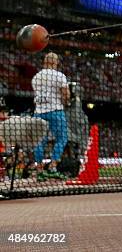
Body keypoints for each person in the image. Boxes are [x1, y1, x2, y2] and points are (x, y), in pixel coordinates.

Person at [31, 52, 70, 180]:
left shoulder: (36, 77)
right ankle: (52, 168)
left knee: (38, 141)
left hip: (38, 112)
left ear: (44, 62)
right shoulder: (59, 76)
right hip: (55, 111)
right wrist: (65, 102)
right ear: (56, 62)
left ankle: (40, 171)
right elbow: (66, 94)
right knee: (62, 138)